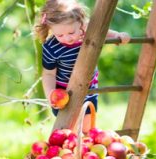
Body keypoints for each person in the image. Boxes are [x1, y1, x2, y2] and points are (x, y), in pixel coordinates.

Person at [35, 0, 130, 132]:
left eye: (71, 32)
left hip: (89, 86)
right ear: (51, 29)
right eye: (60, 35)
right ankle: (71, 149)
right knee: (69, 128)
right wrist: (50, 94)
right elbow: (48, 74)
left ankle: (85, 149)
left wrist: (117, 36)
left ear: (80, 22)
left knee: (87, 127)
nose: (67, 38)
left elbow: (103, 31)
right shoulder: (51, 47)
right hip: (65, 91)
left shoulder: (87, 30)